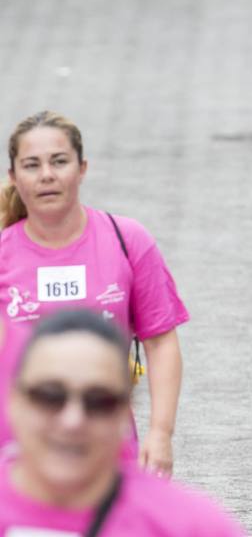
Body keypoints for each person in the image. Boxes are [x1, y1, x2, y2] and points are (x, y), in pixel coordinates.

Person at [1, 111, 188, 474]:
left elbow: (161, 342)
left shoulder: (127, 239)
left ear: (82, 168)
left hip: (109, 451)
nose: (47, 175)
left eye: (59, 161)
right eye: (31, 165)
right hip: (16, 454)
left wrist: (161, 433)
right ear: (14, 176)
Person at [0, 311, 252, 537]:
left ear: (125, 411)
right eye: (49, 396)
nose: (72, 420)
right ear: (14, 401)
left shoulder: (193, 532)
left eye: (99, 401)